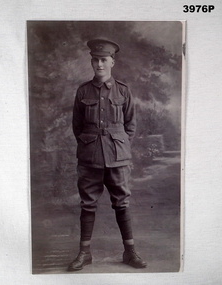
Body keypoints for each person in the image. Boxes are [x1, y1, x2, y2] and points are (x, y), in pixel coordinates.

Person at [67, 38, 147, 271]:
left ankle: (130, 252)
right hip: (90, 156)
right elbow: (77, 126)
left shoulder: (123, 90)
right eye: (95, 60)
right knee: (88, 204)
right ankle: (84, 253)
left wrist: (119, 145)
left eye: (104, 60)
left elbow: (130, 124)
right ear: (92, 62)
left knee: (122, 203)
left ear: (112, 61)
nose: (99, 64)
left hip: (118, 157)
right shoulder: (83, 91)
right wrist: (90, 144)